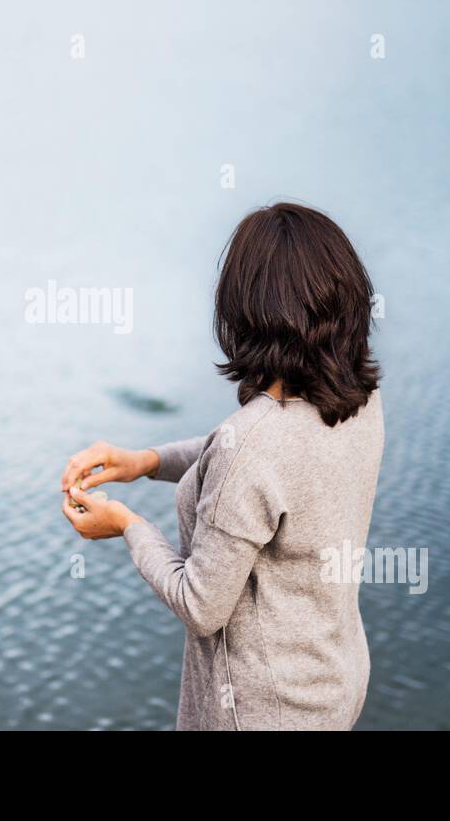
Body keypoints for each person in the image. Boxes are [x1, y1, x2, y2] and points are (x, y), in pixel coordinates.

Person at [61, 202, 384, 730]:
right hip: (332, 684)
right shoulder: (360, 401)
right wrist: (145, 461)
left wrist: (128, 526)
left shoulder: (253, 441)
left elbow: (200, 604)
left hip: (260, 710)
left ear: (245, 311)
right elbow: (257, 463)